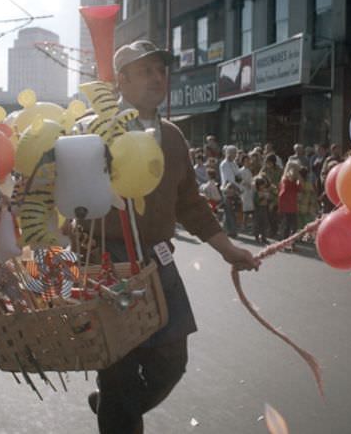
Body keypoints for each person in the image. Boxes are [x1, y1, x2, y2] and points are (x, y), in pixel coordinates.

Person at [81, 40, 260, 434]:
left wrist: (229, 250)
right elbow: (69, 197)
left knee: (171, 362)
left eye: (162, 71)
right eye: (146, 70)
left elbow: (190, 205)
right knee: (119, 369)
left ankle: (113, 408)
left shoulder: (174, 137)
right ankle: (117, 410)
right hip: (107, 262)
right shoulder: (92, 131)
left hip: (159, 259)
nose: (158, 78)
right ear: (122, 80)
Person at [278, 164, 299, 238]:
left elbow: (298, 189)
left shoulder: (295, 181)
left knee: (294, 225)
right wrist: (280, 207)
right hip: (286, 207)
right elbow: (281, 194)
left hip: (293, 206)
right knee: (287, 225)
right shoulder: (285, 181)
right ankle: (285, 240)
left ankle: (292, 241)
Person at [252, 175, 271, 244]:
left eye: (263, 185)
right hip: (258, 209)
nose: (263, 187)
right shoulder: (256, 193)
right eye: (261, 185)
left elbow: (269, 200)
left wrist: (268, 198)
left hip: (264, 208)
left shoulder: (265, 192)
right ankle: (257, 236)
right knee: (257, 223)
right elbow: (256, 201)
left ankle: (264, 237)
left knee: (264, 223)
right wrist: (262, 197)